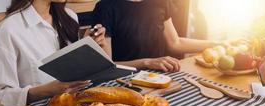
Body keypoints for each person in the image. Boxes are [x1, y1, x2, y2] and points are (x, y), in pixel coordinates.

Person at [0, 0, 108, 106]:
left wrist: (88, 46)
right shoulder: (7, 31)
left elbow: (74, 73)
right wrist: (47, 90)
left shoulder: (69, 16)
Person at [93, 0, 225, 72]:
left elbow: (175, 43)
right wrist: (147, 62)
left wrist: (218, 44)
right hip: (125, 81)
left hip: (160, 77)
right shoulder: (105, 8)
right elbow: (108, 67)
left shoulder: (161, 2)